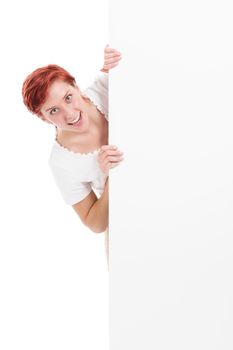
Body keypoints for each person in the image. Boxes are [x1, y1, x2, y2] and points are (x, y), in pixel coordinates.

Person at [22, 46, 123, 268]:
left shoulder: (104, 88)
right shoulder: (62, 162)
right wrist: (112, 180)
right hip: (127, 230)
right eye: (53, 111)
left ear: (76, 86)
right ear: (43, 118)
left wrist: (115, 54)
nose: (69, 113)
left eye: (68, 97)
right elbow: (95, 223)